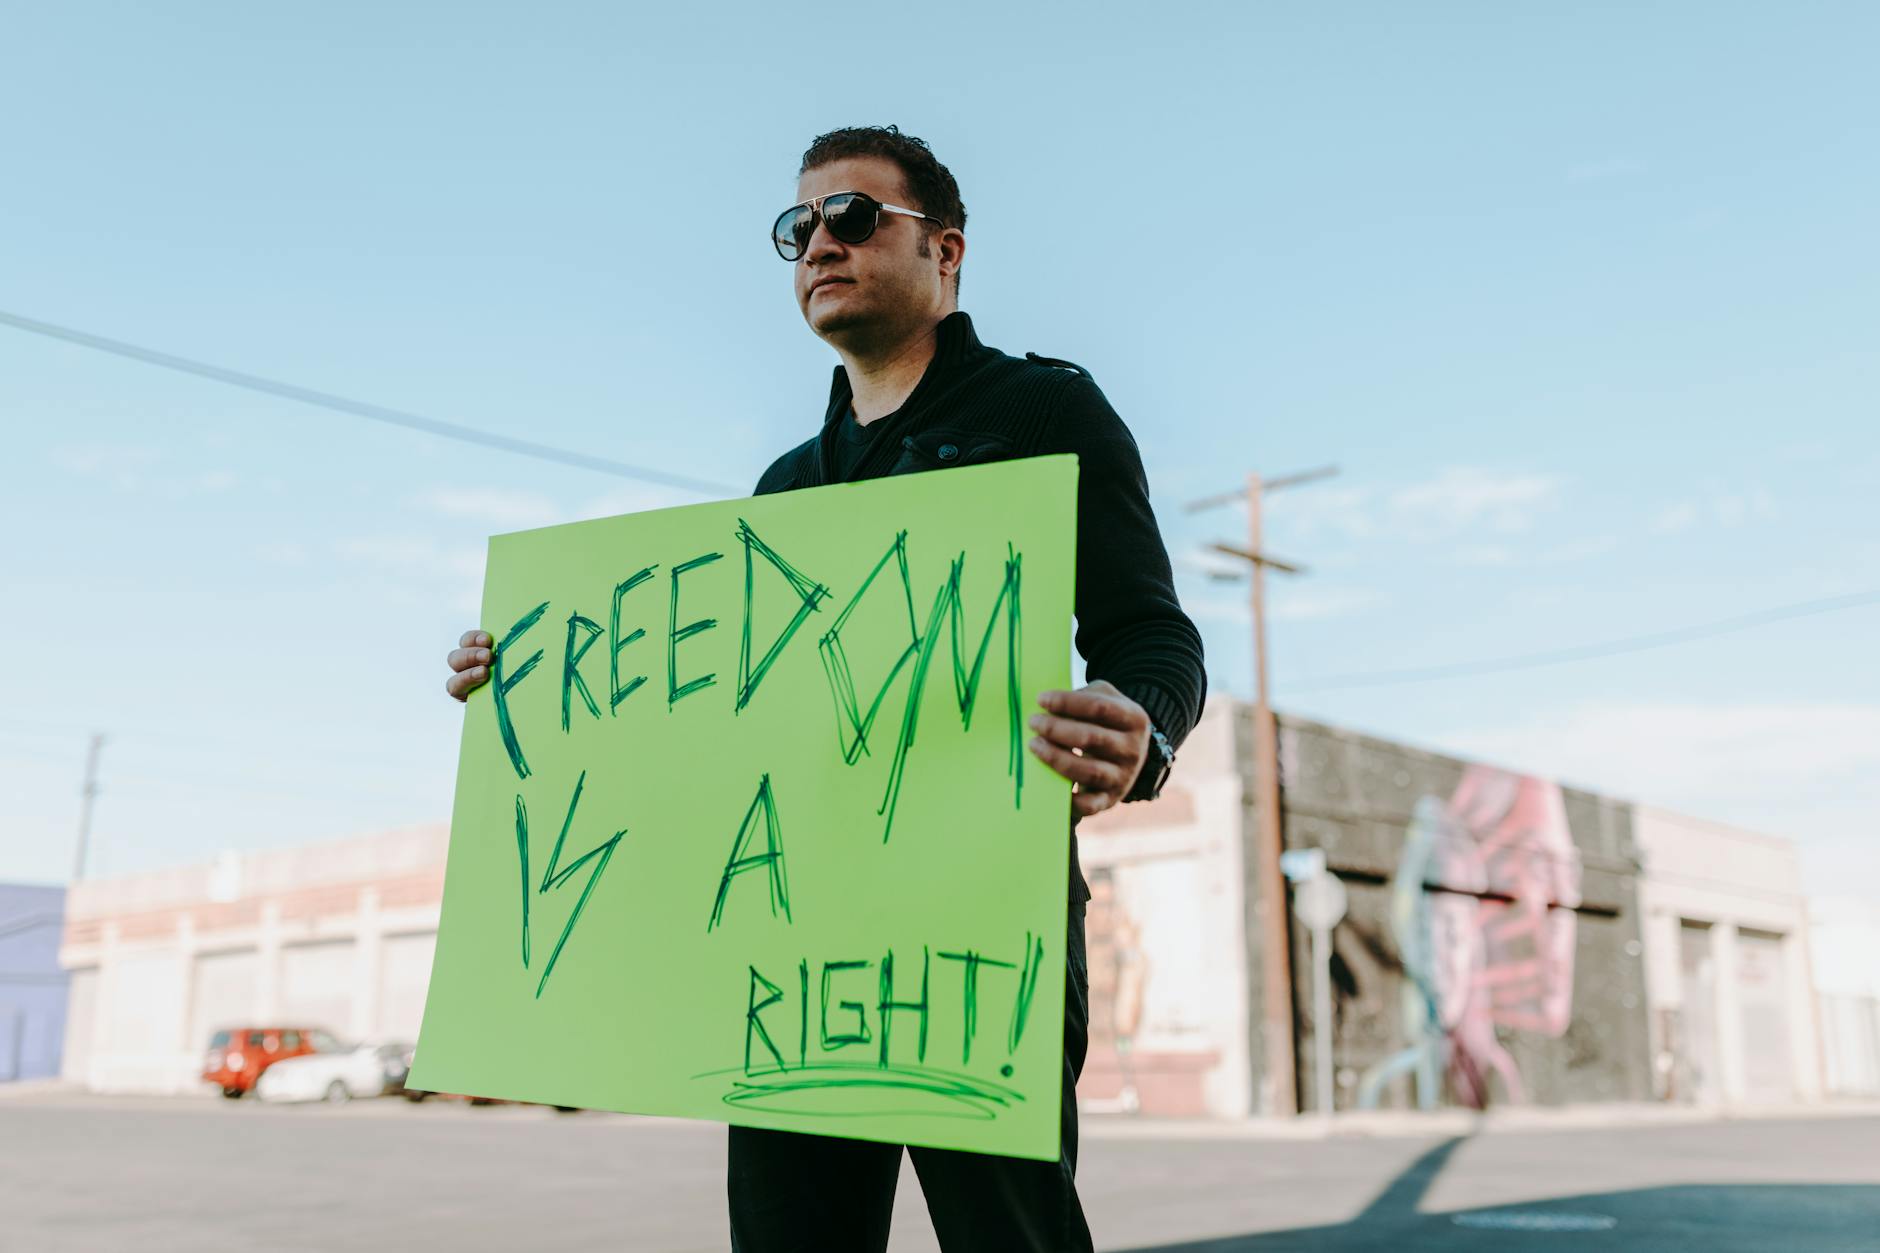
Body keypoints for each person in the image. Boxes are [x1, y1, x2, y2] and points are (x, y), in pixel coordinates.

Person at [444, 124, 1206, 1253]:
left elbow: (1150, 631)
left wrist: (1139, 731)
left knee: (1011, 1235)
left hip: (975, 927)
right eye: (795, 227)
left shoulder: (1046, 413)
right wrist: (531, 687)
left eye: (851, 216)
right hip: (791, 942)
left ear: (944, 252)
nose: (817, 243)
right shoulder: (783, 487)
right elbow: (717, 729)